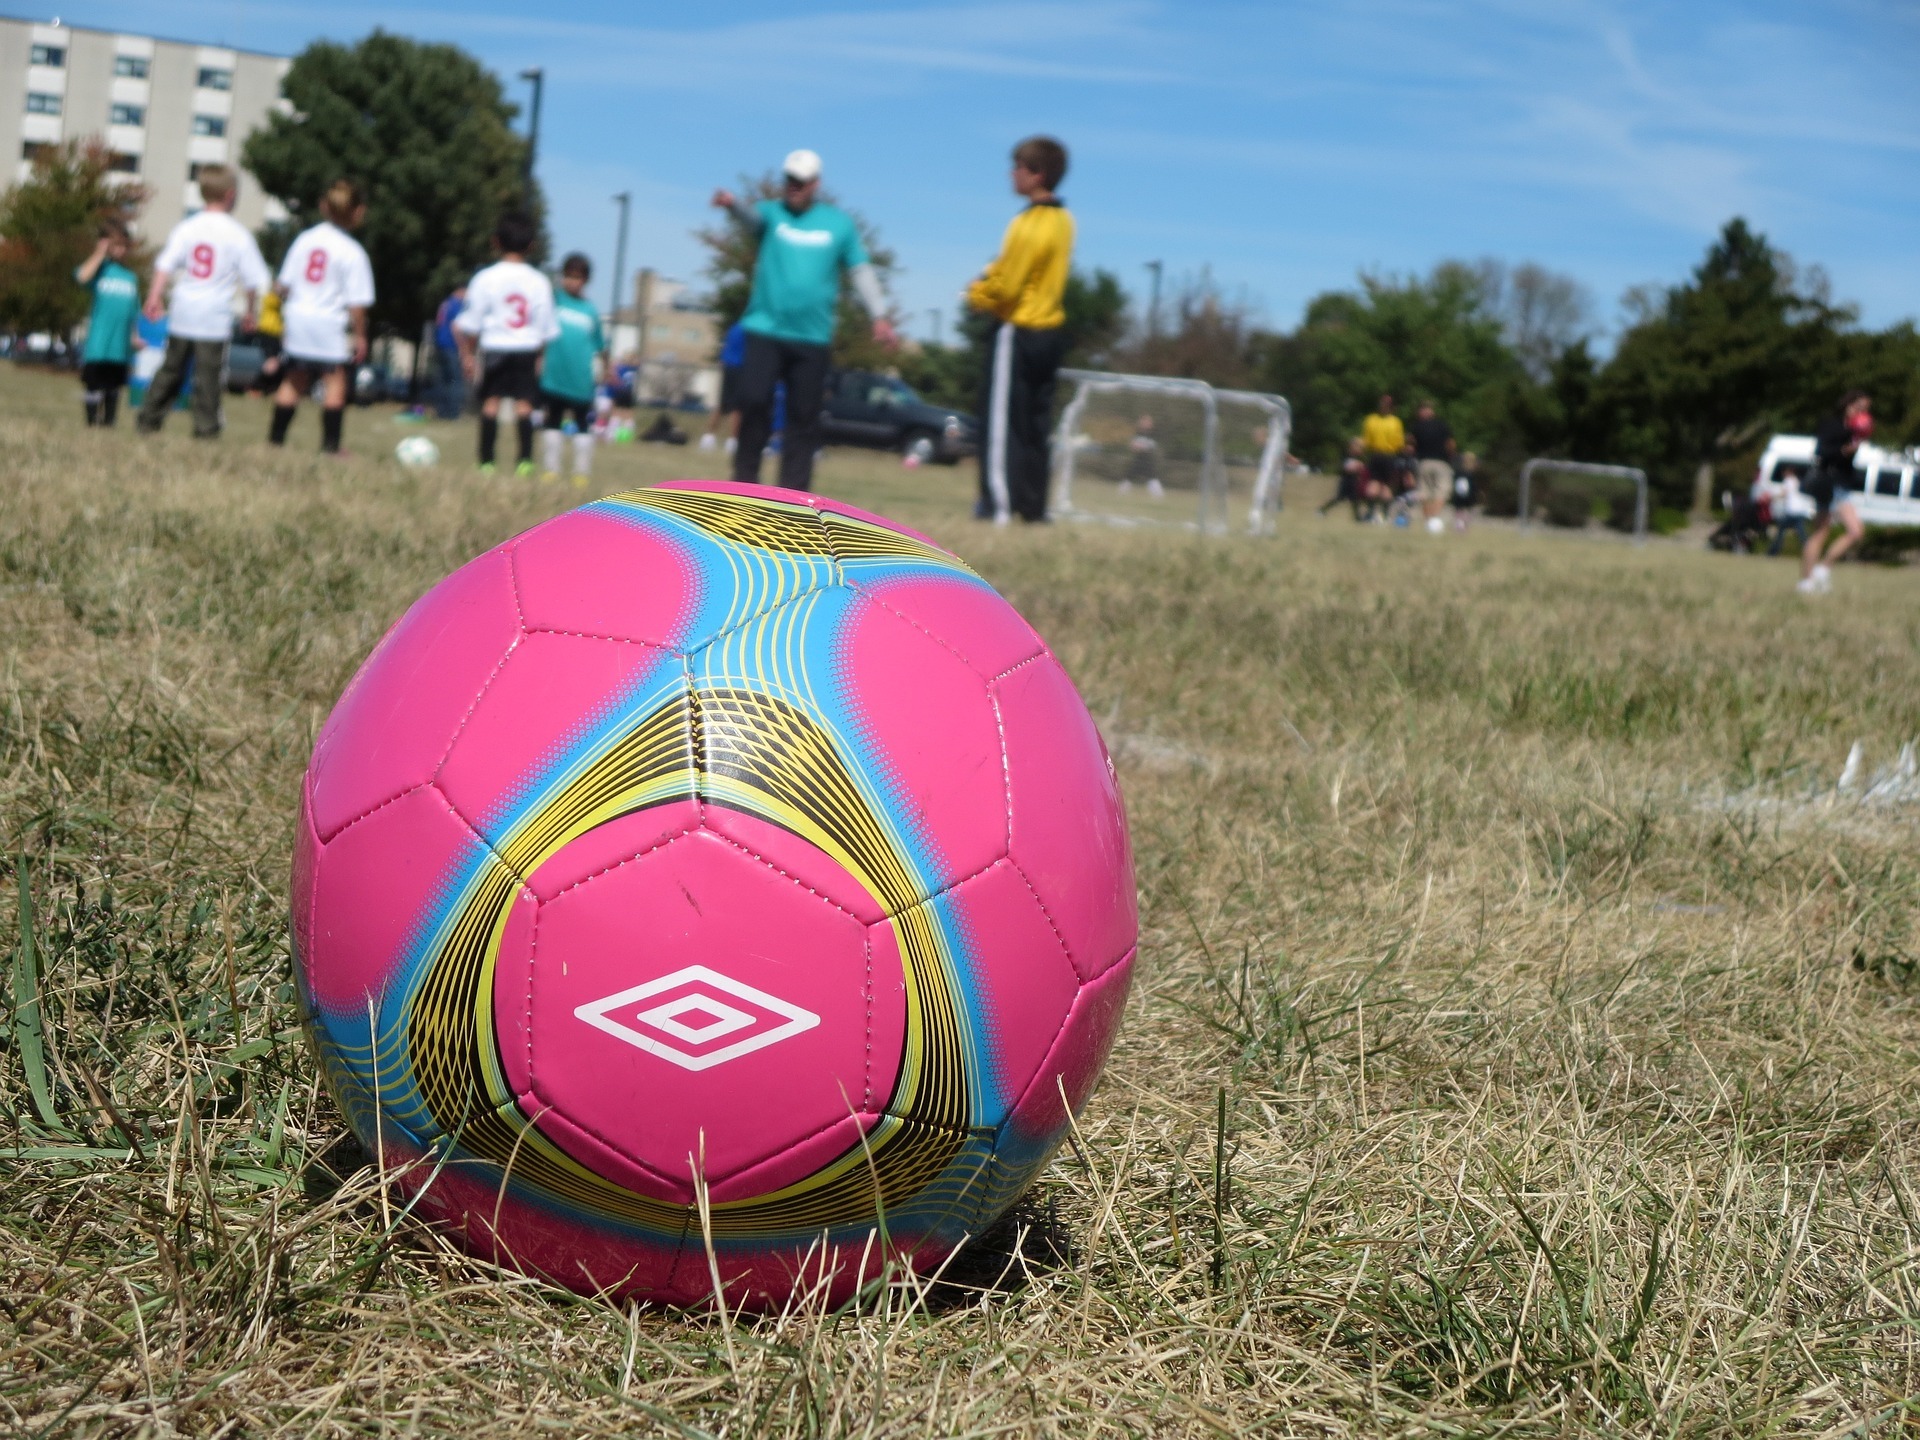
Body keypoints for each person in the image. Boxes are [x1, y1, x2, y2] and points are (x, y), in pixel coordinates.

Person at [711, 150, 896, 490]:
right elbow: (751, 221)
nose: (793, 187)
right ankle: (744, 485)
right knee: (752, 401)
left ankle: (793, 497)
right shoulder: (772, 214)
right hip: (765, 328)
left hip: (811, 337)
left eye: (801, 181)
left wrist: (879, 316)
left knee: (803, 417)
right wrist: (732, 205)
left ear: (815, 184)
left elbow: (860, 270)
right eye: (789, 180)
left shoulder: (838, 224)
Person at [966, 135, 1074, 524]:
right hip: (1051, 332)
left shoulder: (1026, 224)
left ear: (1037, 175)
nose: (1012, 175)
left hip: (1019, 330)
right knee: (1036, 422)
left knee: (1000, 422)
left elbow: (1007, 285)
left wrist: (977, 294)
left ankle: (996, 503)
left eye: (1018, 168)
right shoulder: (1065, 221)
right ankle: (1033, 506)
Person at [136, 164, 269, 438]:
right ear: (231, 195)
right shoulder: (238, 234)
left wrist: (153, 296)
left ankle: (148, 420)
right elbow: (254, 280)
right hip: (214, 317)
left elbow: (165, 264)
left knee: (171, 369)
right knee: (208, 377)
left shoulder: (188, 227)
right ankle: (205, 429)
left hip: (184, 310)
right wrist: (250, 310)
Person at [267, 179, 375, 456]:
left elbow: (282, 285)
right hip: (328, 322)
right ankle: (330, 447)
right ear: (358, 212)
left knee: (293, 380)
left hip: (299, 317)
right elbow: (357, 303)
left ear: (323, 206)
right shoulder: (352, 252)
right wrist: (360, 335)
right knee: (335, 382)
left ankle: (275, 442)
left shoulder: (305, 239)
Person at [454, 212, 559, 477]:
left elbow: (473, 321)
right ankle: (524, 461)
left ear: (495, 242)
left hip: (496, 347)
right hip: (525, 348)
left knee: (491, 404)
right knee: (525, 405)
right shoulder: (538, 281)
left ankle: (486, 462)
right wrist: (540, 356)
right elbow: (544, 324)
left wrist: (468, 354)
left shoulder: (485, 278)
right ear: (532, 245)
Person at [539, 252, 604, 485]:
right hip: (554, 376)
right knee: (552, 421)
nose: (572, 281)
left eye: (578, 277)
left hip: (580, 380)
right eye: (568, 276)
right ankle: (551, 470)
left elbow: (600, 344)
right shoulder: (553, 301)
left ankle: (580, 473)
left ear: (586, 280)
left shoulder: (590, 311)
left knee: (582, 425)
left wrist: (607, 370)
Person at [1799, 389, 1871, 595]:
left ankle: (1822, 569)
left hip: (1842, 485)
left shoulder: (1854, 431)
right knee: (1821, 532)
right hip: (1827, 483)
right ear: (1848, 405)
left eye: (1866, 409)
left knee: (1856, 531)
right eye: (1860, 407)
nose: (1862, 412)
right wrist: (1844, 450)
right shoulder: (1832, 425)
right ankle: (1806, 581)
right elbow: (1822, 453)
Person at [73, 218, 141, 427]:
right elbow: (82, 277)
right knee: (94, 385)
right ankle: (92, 422)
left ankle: (108, 423)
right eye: (115, 245)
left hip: (119, 346)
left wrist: (134, 336)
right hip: (99, 343)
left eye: (123, 246)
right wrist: (99, 253)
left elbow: (133, 311)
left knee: (114, 387)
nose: (120, 250)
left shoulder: (130, 277)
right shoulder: (100, 271)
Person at [700, 320, 747, 455]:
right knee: (737, 406)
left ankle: (708, 437)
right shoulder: (749, 330)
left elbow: (725, 348)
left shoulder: (733, 327)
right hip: (740, 367)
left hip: (728, 367)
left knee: (722, 403)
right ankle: (733, 441)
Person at [1409, 400, 1456, 534]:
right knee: (1442, 491)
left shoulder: (1416, 427)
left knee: (1425, 493)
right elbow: (1451, 444)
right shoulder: (1442, 425)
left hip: (1423, 463)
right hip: (1440, 462)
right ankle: (1433, 520)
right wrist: (1451, 457)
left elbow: (1410, 445)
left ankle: (1429, 522)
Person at [1360, 393, 1404, 509]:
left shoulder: (1392, 421)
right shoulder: (1375, 420)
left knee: (1384, 486)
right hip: (1381, 455)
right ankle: (1375, 513)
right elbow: (1367, 441)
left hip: (1385, 455)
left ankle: (1379, 513)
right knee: (1377, 485)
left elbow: (1398, 443)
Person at [432, 285, 467, 420]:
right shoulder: (457, 305)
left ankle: (441, 411)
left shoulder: (444, 304)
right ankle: (453, 412)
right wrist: (463, 349)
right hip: (451, 346)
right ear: (461, 290)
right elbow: (456, 328)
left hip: (440, 344)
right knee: (455, 380)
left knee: (442, 379)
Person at [1768, 464, 1816, 557]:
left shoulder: (1788, 480)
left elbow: (1784, 493)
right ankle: (1810, 551)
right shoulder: (1797, 481)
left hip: (1792, 511)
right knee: (1801, 533)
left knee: (1781, 532)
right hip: (1799, 510)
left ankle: (1773, 551)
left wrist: (1772, 497)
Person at [1120, 414, 1163, 497]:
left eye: (1147, 422)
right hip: (1138, 459)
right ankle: (1122, 491)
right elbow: (1132, 445)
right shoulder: (1137, 433)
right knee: (1129, 474)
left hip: (1148, 459)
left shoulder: (1153, 434)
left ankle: (1158, 494)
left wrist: (1141, 447)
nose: (1144, 424)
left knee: (1152, 476)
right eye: (1143, 422)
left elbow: (1151, 446)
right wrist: (1135, 446)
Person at [1450, 452, 1482, 530]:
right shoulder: (1471, 474)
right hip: (1468, 496)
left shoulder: (1458, 472)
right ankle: (1462, 525)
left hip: (1459, 495)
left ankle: (1460, 524)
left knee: (1460, 510)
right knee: (1465, 511)